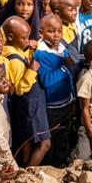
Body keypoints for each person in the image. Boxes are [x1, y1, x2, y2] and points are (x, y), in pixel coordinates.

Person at [1, 17, 51, 167]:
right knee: (45, 144)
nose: (27, 40)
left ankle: (25, 168)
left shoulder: (14, 50)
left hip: (32, 105)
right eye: (24, 38)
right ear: (10, 37)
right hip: (30, 105)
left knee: (27, 144)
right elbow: (20, 89)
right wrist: (31, 70)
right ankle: (27, 175)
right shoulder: (14, 60)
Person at [33, 14, 75, 168]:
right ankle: (49, 167)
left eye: (59, 31)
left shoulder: (61, 48)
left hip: (66, 101)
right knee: (52, 137)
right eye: (51, 31)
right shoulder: (41, 53)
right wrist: (65, 68)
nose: (56, 35)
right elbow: (47, 80)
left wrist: (72, 96)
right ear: (41, 33)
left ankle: (61, 163)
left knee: (64, 135)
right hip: (53, 106)